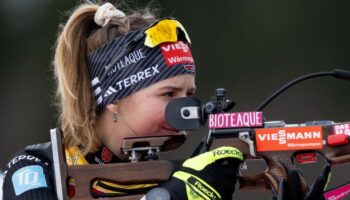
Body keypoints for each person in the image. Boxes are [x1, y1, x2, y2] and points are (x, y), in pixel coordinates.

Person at [1, 1, 331, 200]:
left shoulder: (163, 174)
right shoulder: (34, 171)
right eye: (168, 94)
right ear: (115, 97)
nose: (186, 109)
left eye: (189, 93)